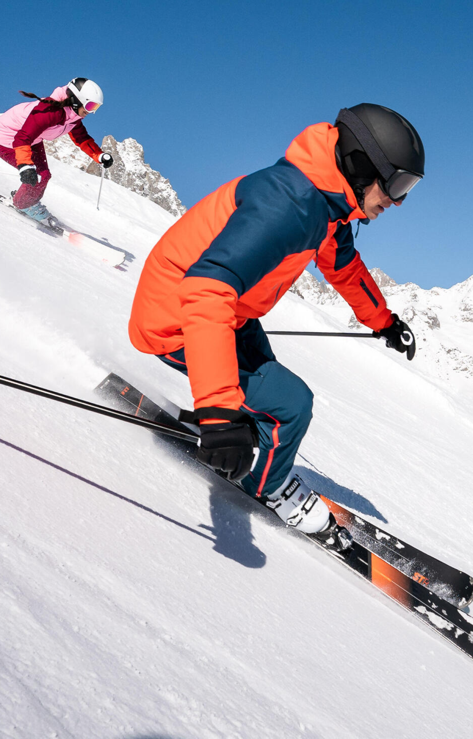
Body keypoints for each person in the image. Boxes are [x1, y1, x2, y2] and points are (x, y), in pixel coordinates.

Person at [129, 103, 425, 536]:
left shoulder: (324, 205)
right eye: (397, 184)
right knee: (292, 406)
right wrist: (217, 412)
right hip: (177, 319)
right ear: (360, 165)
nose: (397, 201)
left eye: (409, 189)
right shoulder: (287, 206)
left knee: (271, 395)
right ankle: (267, 487)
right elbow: (206, 289)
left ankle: (250, 438)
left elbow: (344, 267)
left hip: (230, 315)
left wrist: (383, 321)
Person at [0, 77, 114, 228]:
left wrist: (99, 155)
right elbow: (22, 138)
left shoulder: (72, 117)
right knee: (39, 175)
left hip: (31, 139)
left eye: (96, 107)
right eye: (90, 105)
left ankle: (24, 200)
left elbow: (82, 138)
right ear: (76, 100)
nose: (91, 112)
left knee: (44, 175)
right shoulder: (49, 112)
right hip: (8, 138)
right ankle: (24, 204)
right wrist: (25, 165)